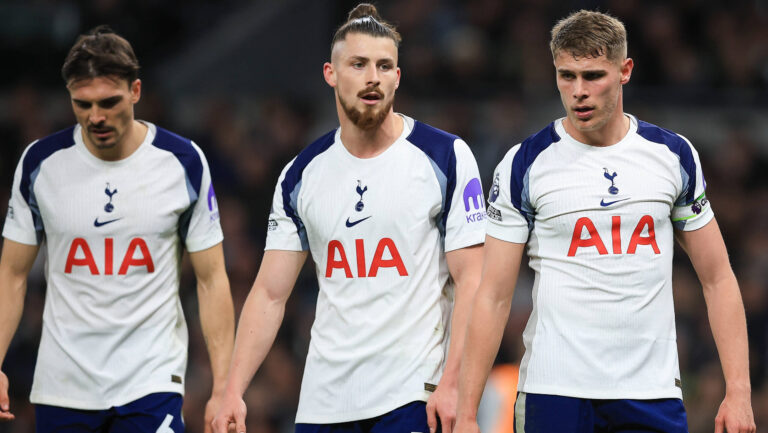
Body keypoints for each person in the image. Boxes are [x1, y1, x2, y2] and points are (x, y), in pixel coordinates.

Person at [454, 10, 755, 433]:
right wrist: (468, 412)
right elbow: (493, 296)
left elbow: (718, 278)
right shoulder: (524, 163)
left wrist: (738, 390)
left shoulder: (673, 156)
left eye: (593, 75)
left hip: (650, 392)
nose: (578, 91)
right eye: (566, 76)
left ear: (624, 70)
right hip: (553, 391)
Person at [212, 4, 484, 433]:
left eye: (384, 65)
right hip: (325, 402)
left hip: (413, 394)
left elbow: (473, 282)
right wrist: (232, 390)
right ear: (331, 73)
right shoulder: (301, 174)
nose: (372, 76)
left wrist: (455, 386)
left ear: (398, 76)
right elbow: (268, 294)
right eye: (358, 64)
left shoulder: (445, 156)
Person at [0, 26, 235, 432]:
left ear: (136, 91)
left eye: (109, 102)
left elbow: (212, 280)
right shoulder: (41, 164)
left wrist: (224, 388)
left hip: (151, 382)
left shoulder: (183, 161)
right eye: (82, 104)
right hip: (63, 387)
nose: (96, 117)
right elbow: (12, 273)